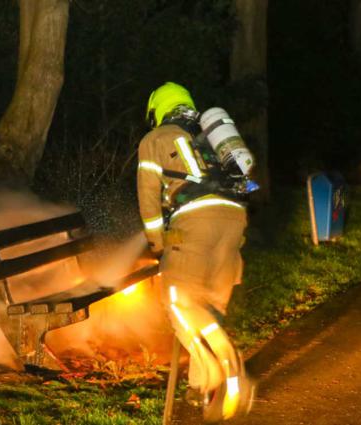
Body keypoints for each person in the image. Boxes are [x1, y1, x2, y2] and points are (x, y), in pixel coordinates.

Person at [136, 82, 255, 422]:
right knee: (208, 307)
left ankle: (229, 363)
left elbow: (148, 199)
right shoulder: (209, 136)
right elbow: (244, 181)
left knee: (179, 301)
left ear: (157, 111)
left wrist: (158, 244)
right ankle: (204, 387)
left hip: (195, 222)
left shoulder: (155, 138)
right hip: (234, 220)